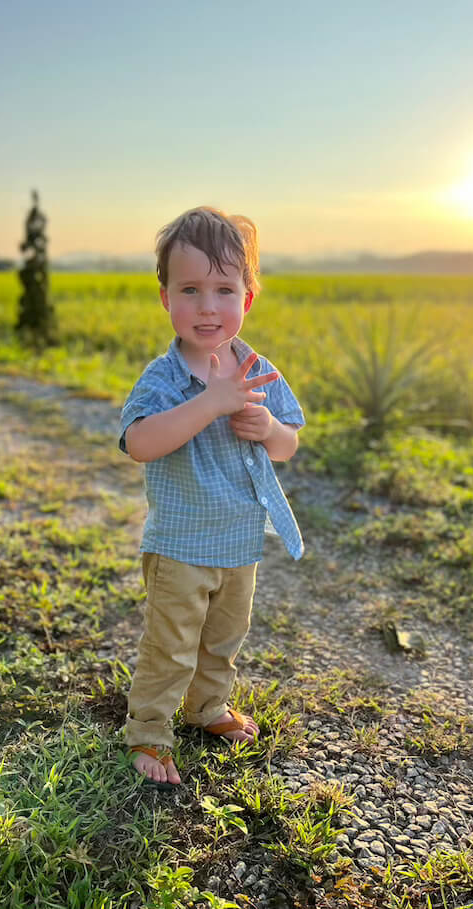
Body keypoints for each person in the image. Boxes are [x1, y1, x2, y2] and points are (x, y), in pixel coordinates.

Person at [118, 206, 304, 788]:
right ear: (165, 298)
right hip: (180, 543)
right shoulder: (165, 378)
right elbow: (141, 443)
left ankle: (207, 707)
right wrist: (210, 405)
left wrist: (268, 429)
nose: (206, 306)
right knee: (170, 644)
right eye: (190, 289)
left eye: (224, 289)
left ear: (246, 300)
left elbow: (288, 444)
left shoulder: (255, 368)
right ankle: (148, 730)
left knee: (223, 638)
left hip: (240, 542)